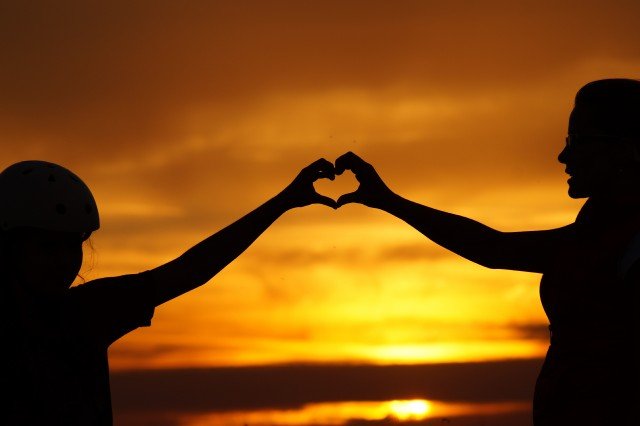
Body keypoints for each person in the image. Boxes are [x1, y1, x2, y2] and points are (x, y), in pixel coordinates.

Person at [333, 78, 640, 425]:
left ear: (624, 149)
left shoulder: (632, 241)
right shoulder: (599, 227)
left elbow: (495, 249)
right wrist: (388, 201)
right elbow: (495, 249)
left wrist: (389, 202)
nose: (563, 155)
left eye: (578, 141)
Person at [0, 158, 337, 425]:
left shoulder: (87, 310)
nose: (63, 262)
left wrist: (284, 201)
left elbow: (192, 270)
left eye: (72, 246)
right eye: (47, 247)